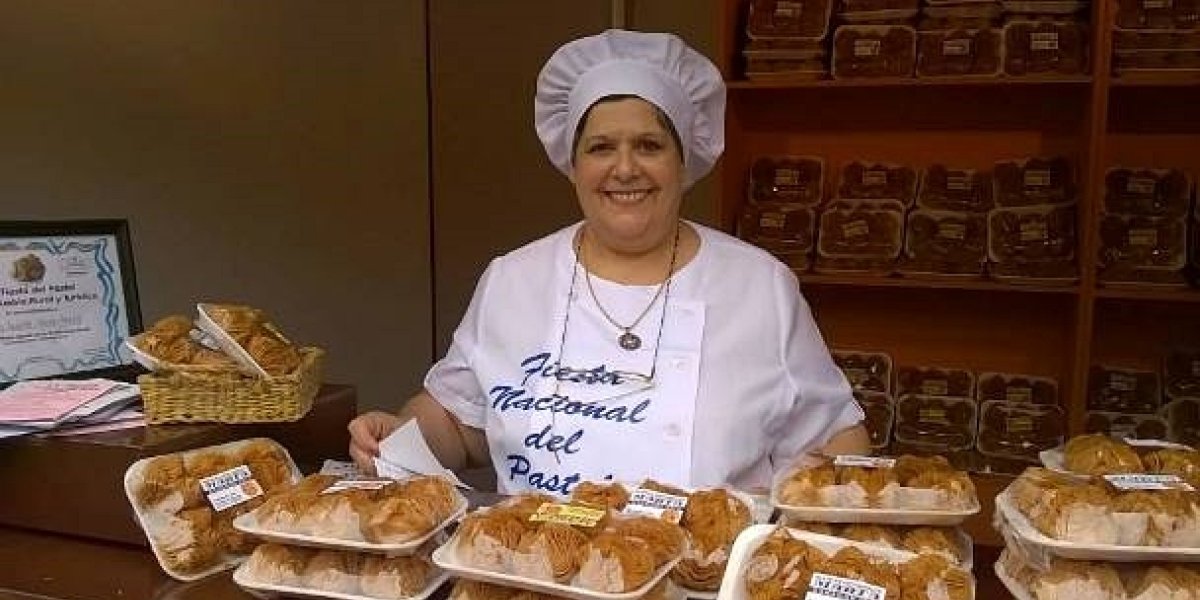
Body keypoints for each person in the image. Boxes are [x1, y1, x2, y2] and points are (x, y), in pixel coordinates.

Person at [349, 28, 868, 496]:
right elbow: (458, 423)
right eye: (601, 147)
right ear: (572, 164)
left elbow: (837, 440)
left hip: (706, 564)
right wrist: (398, 436)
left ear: (683, 160)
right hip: (532, 557)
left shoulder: (758, 286)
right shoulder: (514, 279)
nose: (624, 169)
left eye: (649, 145)